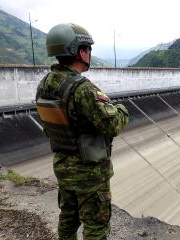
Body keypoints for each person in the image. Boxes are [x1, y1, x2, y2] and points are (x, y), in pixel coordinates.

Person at [35, 23, 129, 240]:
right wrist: (122, 109)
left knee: (68, 220)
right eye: (88, 49)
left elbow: (49, 127)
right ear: (79, 51)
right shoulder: (82, 88)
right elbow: (112, 124)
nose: (89, 54)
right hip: (89, 174)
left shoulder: (45, 85)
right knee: (96, 227)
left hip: (63, 167)